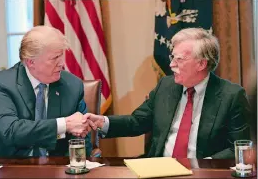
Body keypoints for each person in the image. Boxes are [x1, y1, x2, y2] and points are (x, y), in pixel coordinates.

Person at [85, 28, 251, 159]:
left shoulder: (231, 96)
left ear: (201, 64)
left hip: (203, 172)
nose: (171, 65)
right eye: (173, 57)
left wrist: (203, 165)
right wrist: (103, 122)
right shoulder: (166, 85)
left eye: (179, 60)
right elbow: (137, 122)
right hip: (160, 168)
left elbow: (238, 147)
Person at [0, 26, 92, 157]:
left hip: (56, 167)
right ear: (31, 62)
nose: (61, 63)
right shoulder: (1, 83)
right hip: (10, 164)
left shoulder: (73, 85)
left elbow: (82, 138)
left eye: (61, 56)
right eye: (55, 58)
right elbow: (9, 131)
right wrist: (64, 124)